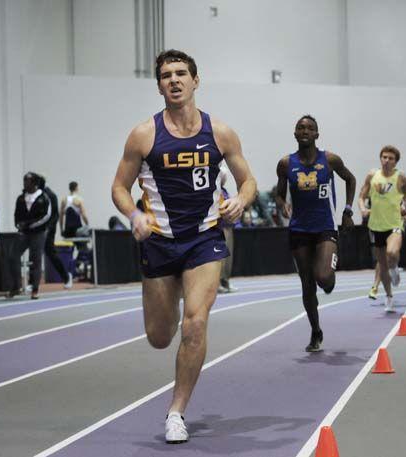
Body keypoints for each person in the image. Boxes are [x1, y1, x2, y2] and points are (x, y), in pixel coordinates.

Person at [111, 49, 256, 444]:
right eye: (165, 75)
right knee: (160, 337)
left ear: (195, 80)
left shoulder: (220, 132)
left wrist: (240, 201)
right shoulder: (144, 135)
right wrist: (134, 215)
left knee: (195, 323)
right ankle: (169, 298)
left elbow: (248, 182)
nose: (173, 80)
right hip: (158, 241)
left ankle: (176, 412)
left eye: (180, 74)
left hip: (204, 238)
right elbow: (119, 188)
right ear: (159, 85)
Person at [275, 114, 356, 351]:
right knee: (307, 284)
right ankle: (316, 331)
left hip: (325, 227)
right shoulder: (286, 164)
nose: (305, 131)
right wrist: (283, 204)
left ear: (317, 134)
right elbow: (279, 193)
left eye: (310, 128)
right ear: (295, 133)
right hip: (299, 230)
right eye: (301, 128)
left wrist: (348, 211)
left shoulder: (329, 160)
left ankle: (329, 277)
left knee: (323, 277)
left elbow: (350, 179)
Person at [359, 145, 406, 312]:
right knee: (382, 265)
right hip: (376, 225)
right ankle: (389, 296)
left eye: (390, 158)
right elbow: (361, 196)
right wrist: (363, 209)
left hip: (395, 224)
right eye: (384, 157)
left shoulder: (400, 178)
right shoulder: (372, 175)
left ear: (395, 162)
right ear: (380, 158)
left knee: (392, 253)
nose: (386, 160)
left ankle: (395, 268)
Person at [9, 172, 52, 299]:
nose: (24, 183)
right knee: (12, 256)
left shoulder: (43, 197)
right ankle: (16, 286)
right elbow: (16, 214)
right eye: (24, 181)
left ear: (35, 183)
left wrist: (30, 224)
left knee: (35, 260)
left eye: (27, 181)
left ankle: (35, 289)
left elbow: (46, 216)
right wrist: (18, 224)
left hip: (38, 233)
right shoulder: (21, 198)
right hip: (23, 233)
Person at [37, 175, 72, 289]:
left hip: (48, 230)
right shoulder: (35, 195)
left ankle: (66, 277)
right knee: (35, 254)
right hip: (36, 229)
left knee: (50, 253)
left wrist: (48, 229)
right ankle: (33, 284)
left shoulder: (50, 195)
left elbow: (55, 215)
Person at [218, 172, 237, 293]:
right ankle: (218, 282)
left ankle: (226, 281)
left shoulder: (224, 191)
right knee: (221, 258)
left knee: (228, 258)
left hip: (229, 226)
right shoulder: (217, 192)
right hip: (220, 227)